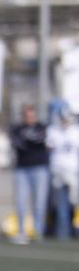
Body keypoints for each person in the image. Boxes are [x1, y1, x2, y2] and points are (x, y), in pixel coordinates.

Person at [8, 103, 50, 244]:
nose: (29, 118)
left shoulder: (42, 127)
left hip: (40, 168)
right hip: (22, 169)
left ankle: (37, 232)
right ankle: (21, 231)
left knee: (39, 202)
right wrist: (30, 140)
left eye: (31, 115)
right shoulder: (17, 129)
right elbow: (18, 143)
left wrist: (30, 139)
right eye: (26, 115)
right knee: (20, 202)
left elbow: (40, 141)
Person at [49, 103, 79, 241]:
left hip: (73, 171)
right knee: (60, 204)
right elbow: (49, 149)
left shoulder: (76, 132)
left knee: (73, 202)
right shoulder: (54, 131)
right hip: (58, 170)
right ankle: (63, 233)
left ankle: (73, 230)